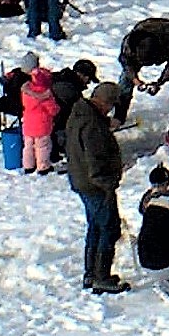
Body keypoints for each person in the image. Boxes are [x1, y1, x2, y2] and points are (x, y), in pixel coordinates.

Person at [65, 81, 127, 293]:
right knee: (109, 228)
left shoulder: (81, 114)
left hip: (82, 181)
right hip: (96, 186)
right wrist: (108, 185)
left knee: (95, 227)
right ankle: (101, 276)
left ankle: (91, 273)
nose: (111, 109)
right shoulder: (92, 125)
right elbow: (95, 160)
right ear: (103, 102)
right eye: (110, 105)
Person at [114, 16, 169, 122]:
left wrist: (159, 82)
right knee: (125, 81)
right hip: (143, 37)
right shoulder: (129, 44)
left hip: (167, 32)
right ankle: (119, 117)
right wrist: (135, 80)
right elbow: (127, 64)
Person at [20, 66, 59, 175]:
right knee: (42, 147)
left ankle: (28, 166)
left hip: (28, 124)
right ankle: (43, 167)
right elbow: (53, 110)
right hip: (42, 126)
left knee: (28, 147)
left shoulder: (26, 92)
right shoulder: (46, 95)